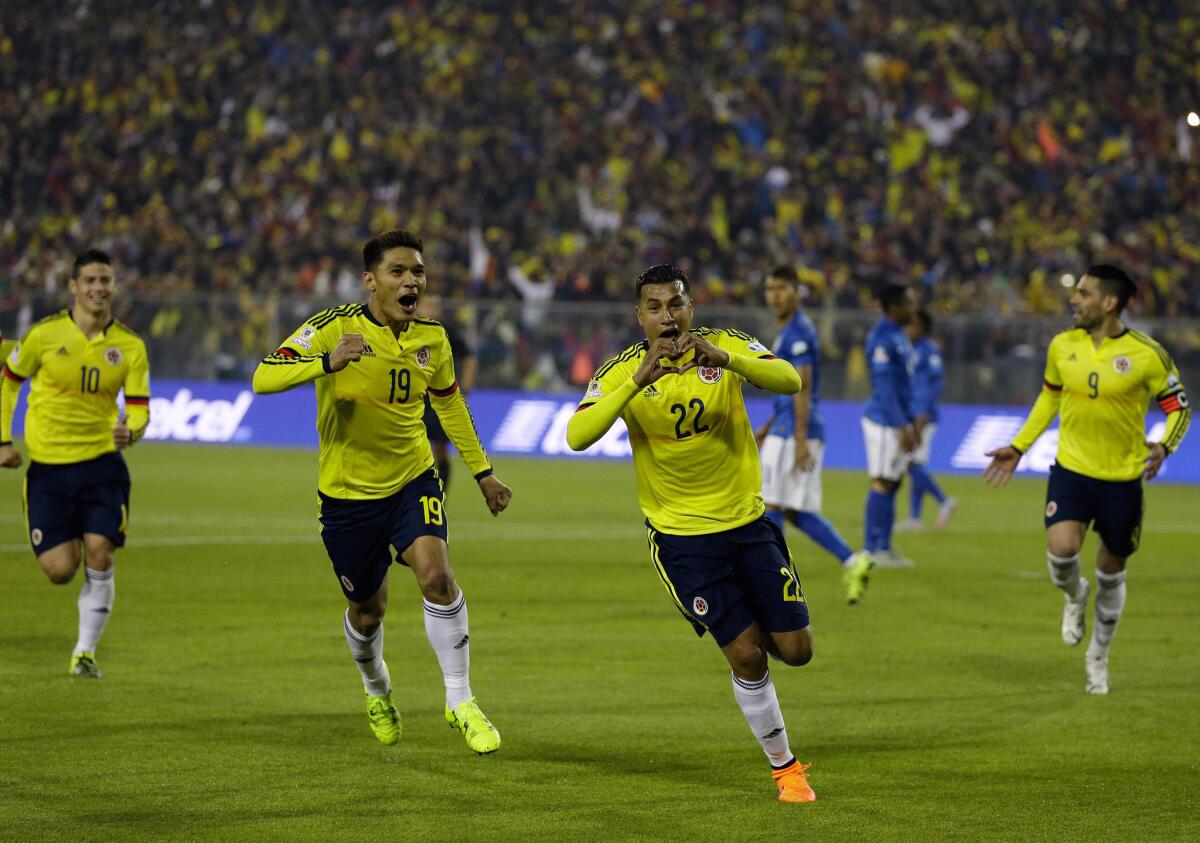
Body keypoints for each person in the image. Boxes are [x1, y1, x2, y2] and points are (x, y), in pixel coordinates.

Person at [252, 229, 513, 751]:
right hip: (348, 497)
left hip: (412, 478)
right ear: (371, 281)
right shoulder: (332, 329)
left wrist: (483, 473)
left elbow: (450, 405)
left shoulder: (432, 339)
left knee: (438, 577)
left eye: (417, 271)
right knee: (368, 611)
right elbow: (263, 376)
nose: (410, 280)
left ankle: (460, 700)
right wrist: (325, 363)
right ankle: (377, 689)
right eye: (398, 271)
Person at [566, 264, 817, 804]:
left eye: (675, 304)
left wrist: (725, 359)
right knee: (747, 656)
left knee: (796, 651)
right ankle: (786, 768)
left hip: (748, 525)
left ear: (690, 307)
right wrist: (638, 382)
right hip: (682, 540)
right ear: (640, 317)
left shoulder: (727, 345)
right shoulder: (622, 371)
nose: (667, 316)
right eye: (654, 308)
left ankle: (752, 636)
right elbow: (578, 435)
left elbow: (791, 381)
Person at [983, 265, 1189, 694]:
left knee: (1112, 571)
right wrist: (1019, 446)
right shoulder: (1062, 345)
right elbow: (1048, 399)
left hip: (1122, 479)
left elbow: (1179, 407)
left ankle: (1098, 656)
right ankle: (1075, 595)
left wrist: (1164, 445)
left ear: (1109, 302)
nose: (1074, 300)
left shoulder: (1147, 353)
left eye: (1083, 293)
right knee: (1061, 552)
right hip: (1072, 470)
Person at [0, 249, 151, 678]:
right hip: (48, 469)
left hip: (103, 466)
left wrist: (132, 431)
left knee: (100, 553)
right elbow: (8, 384)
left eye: (105, 280)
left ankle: (84, 652)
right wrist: (2, 441)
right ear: (73, 286)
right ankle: (82, 640)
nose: (99, 288)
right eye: (90, 281)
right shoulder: (43, 336)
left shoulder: (131, 347)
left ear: (114, 285)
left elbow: (139, 409)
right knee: (59, 570)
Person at [755, 266, 874, 604]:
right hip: (785, 427)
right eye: (770, 288)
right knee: (791, 509)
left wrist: (801, 438)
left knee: (773, 505)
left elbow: (802, 387)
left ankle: (772, 580)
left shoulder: (799, 333)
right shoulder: (788, 332)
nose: (775, 295)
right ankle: (853, 560)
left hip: (795, 430)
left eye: (782, 288)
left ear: (797, 292)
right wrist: (767, 427)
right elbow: (786, 391)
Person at [861, 284, 918, 568]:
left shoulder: (899, 336)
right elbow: (884, 388)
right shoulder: (882, 337)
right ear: (895, 306)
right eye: (908, 302)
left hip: (898, 420)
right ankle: (871, 549)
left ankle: (884, 546)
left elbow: (903, 385)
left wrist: (911, 421)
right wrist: (900, 425)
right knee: (882, 480)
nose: (913, 308)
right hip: (884, 421)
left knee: (894, 481)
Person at [896, 310, 957, 531]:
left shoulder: (929, 350)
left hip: (923, 417)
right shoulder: (910, 348)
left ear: (921, 327)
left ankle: (944, 501)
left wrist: (921, 416)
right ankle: (914, 518)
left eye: (911, 325)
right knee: (915, 463)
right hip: (912, 414)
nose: (907, 329)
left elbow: (932, 385)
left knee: (911, 464)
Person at [417, 293, 477, 490]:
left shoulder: (447, 332)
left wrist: (465, 388)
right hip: (412, 398)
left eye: (434, 306)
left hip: (439, 399)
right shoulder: (407, 330)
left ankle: (440, 497)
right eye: (427, 305)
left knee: (440, 450)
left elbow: (469, 359)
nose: (431, 309)